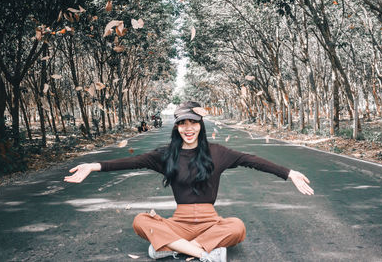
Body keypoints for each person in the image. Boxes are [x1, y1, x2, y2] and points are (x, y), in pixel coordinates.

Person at [64, 101, 314, 262]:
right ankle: (203, 253)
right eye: (182, 123)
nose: (188, 127)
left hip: (210, 221)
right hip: (179, 223)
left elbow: (252, 160)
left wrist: (288, 173)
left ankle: (171, 248)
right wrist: (93, 165)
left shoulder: (218, 153)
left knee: (237, 227)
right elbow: (132, 162)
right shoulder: (165, 155)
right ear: (176, 127)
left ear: (200, 125)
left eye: (192, 122)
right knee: (140, 221)